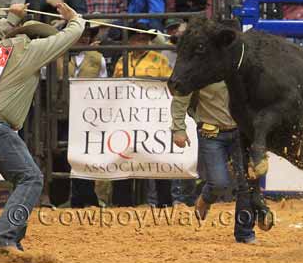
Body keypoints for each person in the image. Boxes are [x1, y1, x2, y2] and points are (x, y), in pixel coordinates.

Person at [0, 2, 85, 259]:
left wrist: (10, 16)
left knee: (25, 178)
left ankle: (11, 243)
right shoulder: (30, 50)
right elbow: (70, 36)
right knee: (31, 178)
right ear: (35, 39)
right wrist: (75, 18)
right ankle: (2, 239)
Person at [171, 78, 273, 243]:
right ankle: (206, 197)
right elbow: (181, 96)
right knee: (219, 183)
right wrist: (178, 128)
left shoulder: (241, 67)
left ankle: (245, 233)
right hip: (210, 133)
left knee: (245, 183)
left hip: (241, 132)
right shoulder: (204, 68)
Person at [111, 22, 173, 207]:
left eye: (145, 39)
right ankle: (122, 203)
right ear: (131, 40)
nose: (142, 41)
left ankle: (164, 202)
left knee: (157, 157)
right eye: (138, 38)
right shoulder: (122, 60)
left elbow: (168, 84)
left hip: (152, 115)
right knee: (124, 157)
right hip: (127, 116)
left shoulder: (159, 59)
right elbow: (114, 85)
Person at [55, 21, 107, 207]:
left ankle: (84, 196)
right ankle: (63, 197)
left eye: (88, 34)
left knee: (85, 153)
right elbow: (45, 77)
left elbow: (103, 84)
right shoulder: (56, 55)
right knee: (61, 153)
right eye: (81, 33)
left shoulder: (97, 58)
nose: (85, 37)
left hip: (88, 114)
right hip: (62, 111)